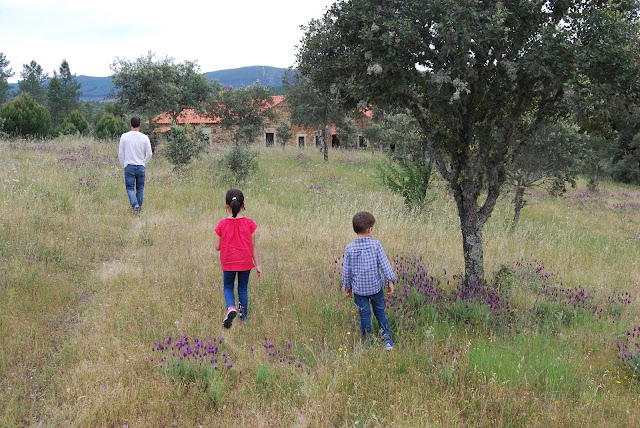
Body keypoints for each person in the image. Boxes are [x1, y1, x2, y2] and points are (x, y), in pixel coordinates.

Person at [342, 211, 396, 350]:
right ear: (370, 229)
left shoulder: (349, 248)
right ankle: (387, 340)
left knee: (364, 316)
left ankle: (368, 344)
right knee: (380, 312)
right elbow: (384, 264)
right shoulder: (376, 245)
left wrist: (347, 286)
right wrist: (390, 280)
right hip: (376, 288)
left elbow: (346, 269)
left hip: (359, 291)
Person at [215, 189, 262, 328]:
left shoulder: (222, 224)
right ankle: (243, 320)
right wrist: (258, 265)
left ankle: (231, 308)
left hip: (228, 262)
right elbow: (254, 246)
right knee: (242, 289)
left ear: (226, 204)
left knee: (228, 287)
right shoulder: (249, 223)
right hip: (246, 262)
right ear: (243, 205)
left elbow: (217, 247)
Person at [118, 116, 152, 216]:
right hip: (141, 166)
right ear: (140, 125)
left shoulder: (124, 136)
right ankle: (138, 208)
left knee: (129, 188)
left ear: (130, 124)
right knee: (140, 188)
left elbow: (121, 153)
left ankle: (135, 205)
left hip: (129, 165)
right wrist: (144, 163)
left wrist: (123, 164)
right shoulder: (145, 137)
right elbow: (149, 153)